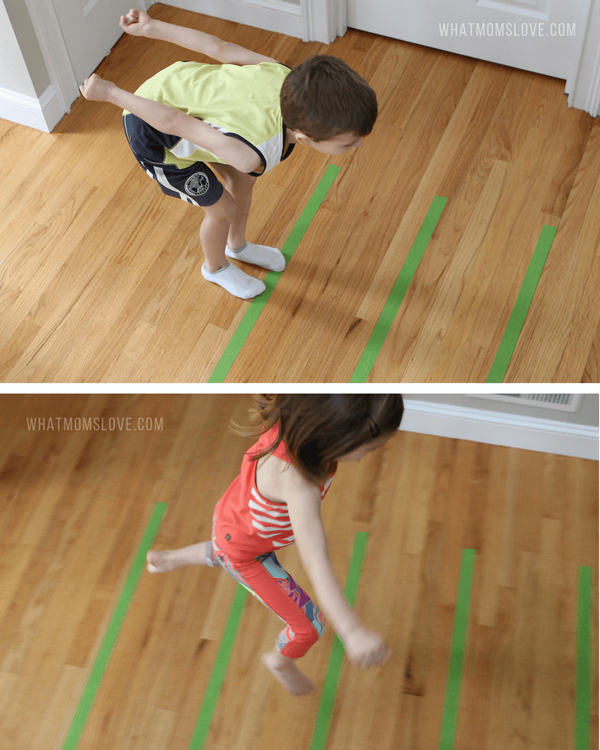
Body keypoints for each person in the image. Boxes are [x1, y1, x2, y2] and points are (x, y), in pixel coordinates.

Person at [79, 8, 378, 299]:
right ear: (304, 137)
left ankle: (237, 246)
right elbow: (175, 122)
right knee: (223, 210)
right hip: (153, 130)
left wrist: (151, 28)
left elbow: (220, 47)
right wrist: (111, 94)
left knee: (244, 183)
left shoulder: (285, 77)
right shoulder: (249, 152)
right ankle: (216, 267)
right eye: (348, 143)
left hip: (183, 89)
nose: (358, 146)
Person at [146, 394, 403, 696]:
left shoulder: (295, 418)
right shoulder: (298, 484)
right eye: (370, 447)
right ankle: (279, 662)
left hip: (232, 516)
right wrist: (353, 631)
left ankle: (167, 559)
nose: (368, 454)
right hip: (246, 551)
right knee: (309, 627)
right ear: (334, 434)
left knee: (223, 549)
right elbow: (317, 565)